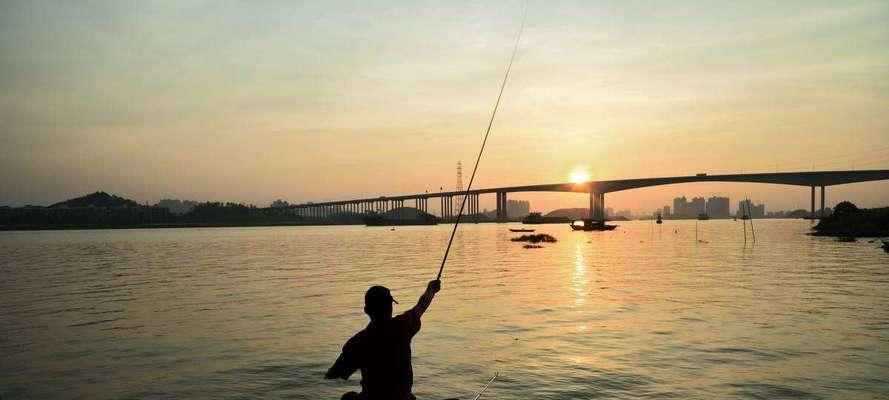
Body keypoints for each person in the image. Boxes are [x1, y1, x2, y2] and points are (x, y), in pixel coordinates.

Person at [325, 280, 442, 400]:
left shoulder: (357, 342)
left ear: (366, 310)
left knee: (348, 397)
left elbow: (334, 373)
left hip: (372, 396)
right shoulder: (403, 326)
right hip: (401, 397)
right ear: (390, 306)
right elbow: (421, 306)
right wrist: (431, 289)